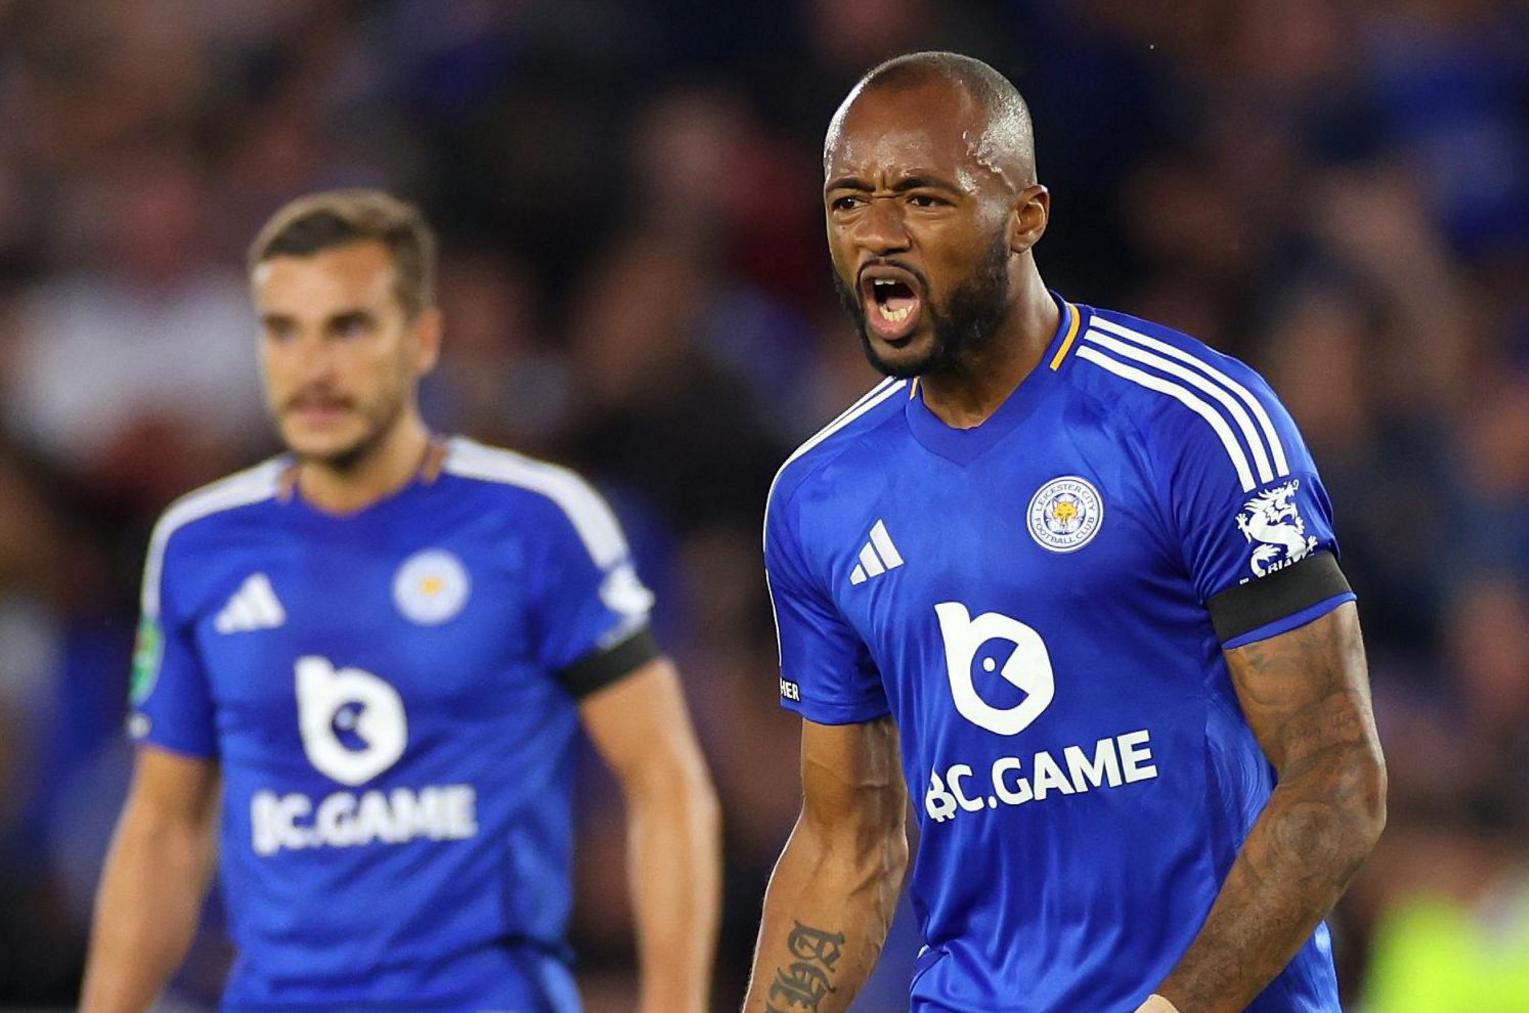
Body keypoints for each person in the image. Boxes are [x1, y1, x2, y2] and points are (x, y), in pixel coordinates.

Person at [745, 53, 1386, 1012]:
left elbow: (1337, 776)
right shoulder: (819, 497)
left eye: (921, 199)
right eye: (848, 204)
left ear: (1026, 216)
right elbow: (849, 843)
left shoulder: (1191, 421)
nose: (877, 235)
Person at [81, 190, 721, 1012]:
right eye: (285, 330)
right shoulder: (198, 546)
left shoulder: (538, 522)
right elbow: (165, 829)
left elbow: (665, 783)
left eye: (348, 327)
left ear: (422, 339)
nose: (313, 367)